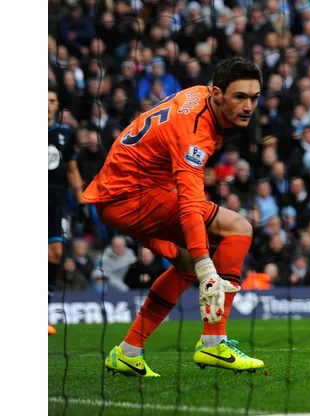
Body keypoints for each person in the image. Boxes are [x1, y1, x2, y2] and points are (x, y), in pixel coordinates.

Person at [81, 57, 266, 377]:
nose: (248, 106)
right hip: (131, 197)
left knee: (184, 262)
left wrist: (197, 260)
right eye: (240, 97)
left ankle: (128, 351)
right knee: (238, 228)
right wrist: (207, 266)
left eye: (254, 98)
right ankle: (214, 343)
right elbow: (190, 204)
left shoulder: (199, 94)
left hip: (118, 195)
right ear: (218, 94)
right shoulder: (194, 132)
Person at [48, 86, 85, 335]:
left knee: (55, 253)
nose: (47, 104)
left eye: (52, 100)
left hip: (56, 201)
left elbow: (72, 169)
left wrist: (81, 201)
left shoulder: (65, 133)